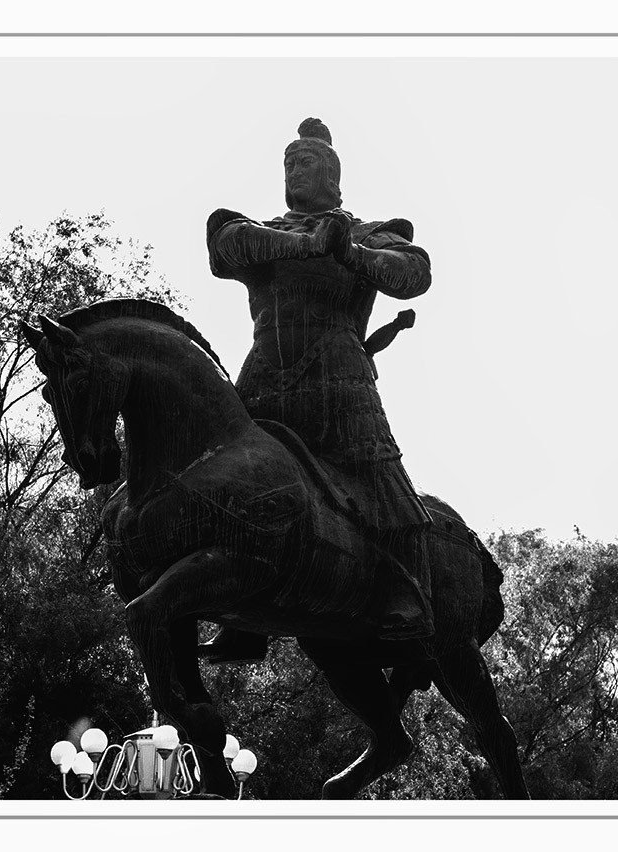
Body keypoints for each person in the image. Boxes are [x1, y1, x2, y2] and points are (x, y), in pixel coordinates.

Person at [200, 117, 434, 663]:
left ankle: (410, 595)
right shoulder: (266, 232)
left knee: (378, 476)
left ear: (330, 172)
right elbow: (225, 245)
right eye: (287, 163)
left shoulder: (363, 230)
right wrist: (308, 245)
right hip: (265, 375)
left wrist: (350, 253)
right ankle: (244, 611)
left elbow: (414, 271)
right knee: (228, 474)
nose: (292, 172)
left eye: (303, 163)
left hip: (340, 378)